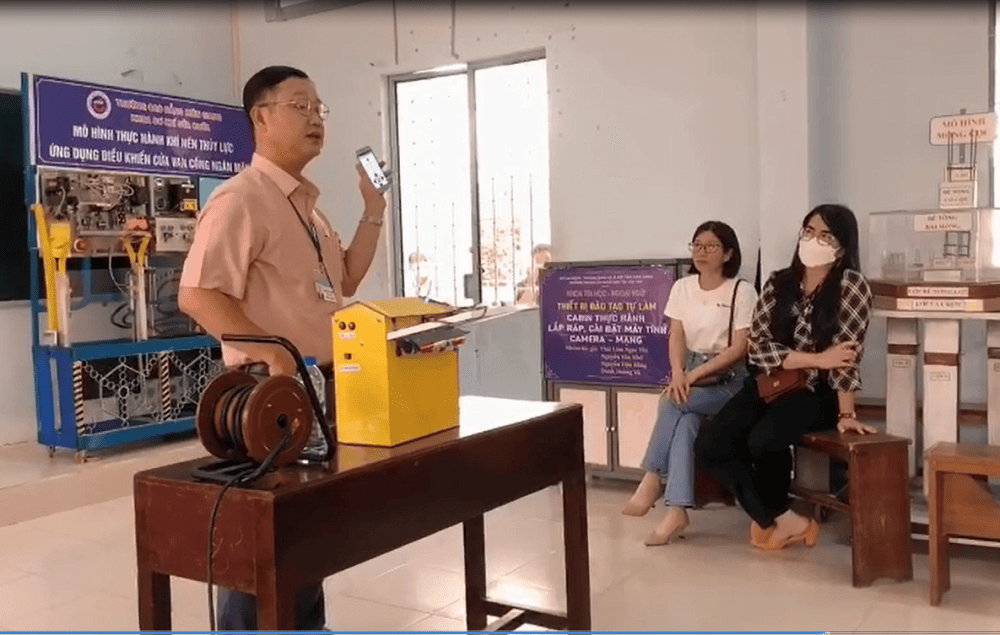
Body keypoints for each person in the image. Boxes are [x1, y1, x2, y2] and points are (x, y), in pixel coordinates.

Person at [178, 65, 388, 631]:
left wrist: (373, 209)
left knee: (303, 536)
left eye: (319, 108)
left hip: (315, 390)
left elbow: (344, 279)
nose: (315, 117)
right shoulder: (240, 199)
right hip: (268, 396)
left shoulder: (309, 209)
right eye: (300, 105)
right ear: (262, 118)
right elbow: (197, 294)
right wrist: (274, 354)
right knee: (260, 549)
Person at [694, 204, 876, 552]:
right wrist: (816, 358)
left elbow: (844, 357)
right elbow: (758, 348)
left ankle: (774, 518)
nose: (814, 240)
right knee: (711, 445)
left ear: (842, 246)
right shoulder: (779, 283)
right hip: (768, 383)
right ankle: (780, 517)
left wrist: (847, 414)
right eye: (809, 231)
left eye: (826, 236)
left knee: (763, 440)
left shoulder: (851, 286)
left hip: (815, 392)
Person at [621, 221, 757, 546]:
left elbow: (740, 348)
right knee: (685, 423)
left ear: (728, 254)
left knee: (672, 401)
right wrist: (678, 372)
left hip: (729, 379)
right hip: (692, 370)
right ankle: (677, 510)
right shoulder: (682, 287)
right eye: (697, 245)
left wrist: (694, 377)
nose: (701, 252)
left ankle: (653, 475)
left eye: (710, 247)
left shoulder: (742, 291)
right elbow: (676, 334)